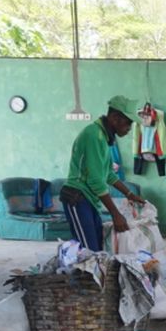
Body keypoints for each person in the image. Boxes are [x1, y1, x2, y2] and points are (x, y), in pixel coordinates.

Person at [61, 95, 147, 251]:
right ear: (115, 118)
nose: (129, 128)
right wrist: (115, 214)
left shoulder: (104, 138)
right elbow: (95, 180)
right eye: (128, 123)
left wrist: (129, 194)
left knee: (98, 250)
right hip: (77, 197)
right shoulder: (94, 136)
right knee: (88, 252)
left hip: (88, 199)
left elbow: (108, 174)